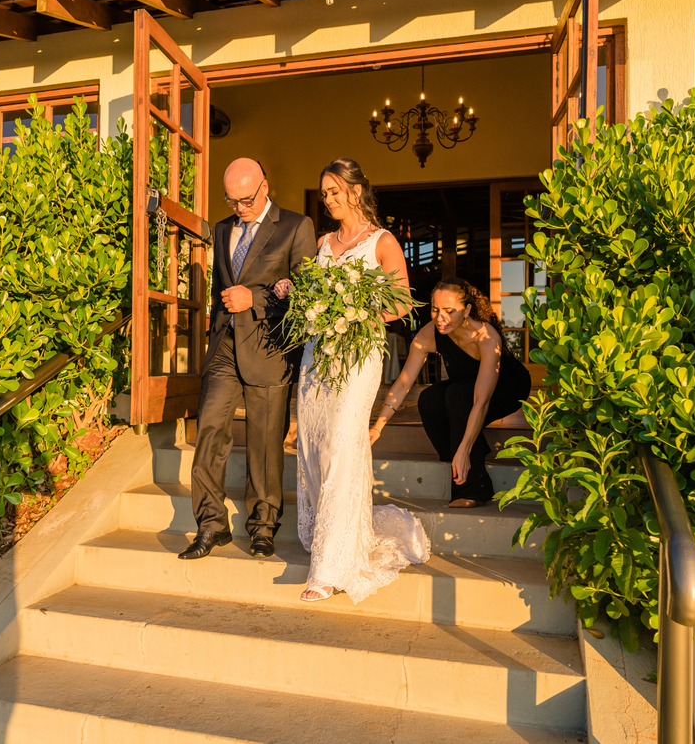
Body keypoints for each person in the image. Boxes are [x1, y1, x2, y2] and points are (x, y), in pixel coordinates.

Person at [290, 158, 431, 603]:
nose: (328, 200)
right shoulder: (322, 242)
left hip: (358, 356)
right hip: (317, 355)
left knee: (341, 445)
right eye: (324, 194)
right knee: (313, 443)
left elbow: (402, 302)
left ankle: (329, 568)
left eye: (334, 192)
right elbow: (311, 294)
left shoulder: (382, 242)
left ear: (355, 191)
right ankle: (330, 534)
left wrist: (360, 312)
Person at [179, 158, 317, 561]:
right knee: (209, 428)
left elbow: (307, 292)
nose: (239, 208)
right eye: (231, 200)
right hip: (225, 346)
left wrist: (254, 298)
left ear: (264, 186)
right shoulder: (222, 229)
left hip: (270, 348)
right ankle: (211, 524)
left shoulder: (296, 227)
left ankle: (263, 525)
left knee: (266, 442)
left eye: (246, 200)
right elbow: (220, 288)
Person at [369, 277, 532, 508]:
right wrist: (378, 427)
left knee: (458, 396)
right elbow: (404, 383)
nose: (440, 318)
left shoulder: (486, 337)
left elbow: (481, 401)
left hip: (509, 387)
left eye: (449, 311)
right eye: (435, 310)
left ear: (467, 310)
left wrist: (464, 449)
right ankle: (459, 455)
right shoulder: (429, 333)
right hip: (466, 388)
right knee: (429, 399)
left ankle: (474, 488)